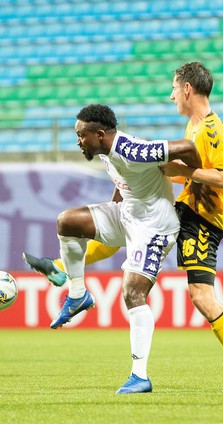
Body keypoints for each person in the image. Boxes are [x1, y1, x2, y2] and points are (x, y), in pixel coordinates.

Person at [23, 62, 223, 392]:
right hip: (181, 212)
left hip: (203, 219)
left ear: (188, 89)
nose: (171, 95)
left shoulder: (210, 130)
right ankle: (68, 279)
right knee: (92, 227)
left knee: (200, 294)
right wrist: (147, 179)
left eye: (175, 88)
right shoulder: (192, 127)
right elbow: (170, 168)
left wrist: (177, 171)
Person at [42, 103, 201, 394]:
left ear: (100, 134)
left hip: (155, 227)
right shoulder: (106, 149)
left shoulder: (133, 150)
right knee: (67, 222)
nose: (78, 141)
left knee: (132, 293)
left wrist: (199, 183)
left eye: (81, 136)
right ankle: (77, 295)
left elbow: (188, 146)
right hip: (128, 213)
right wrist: (114, 205)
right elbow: (125, 178)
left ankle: (140, 376)